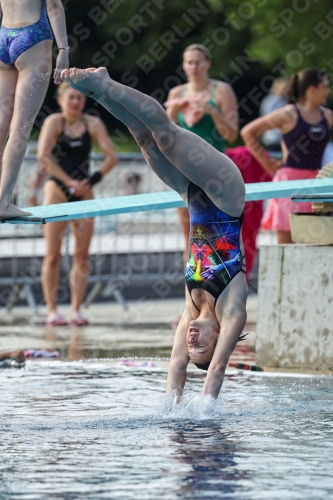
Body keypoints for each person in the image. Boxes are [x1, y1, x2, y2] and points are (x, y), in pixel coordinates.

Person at [61, 66, 248, 400]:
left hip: (192, 197)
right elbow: (217, 370)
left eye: (193, 345)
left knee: (143, 137)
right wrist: (206, 414)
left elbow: (177, 364)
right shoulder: (232, 309)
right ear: (220, 339)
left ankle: (99, 93)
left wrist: (172, 414)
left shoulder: (191, 309)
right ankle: (107, 82)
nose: (192, 340)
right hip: (225, 193)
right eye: (202, 346)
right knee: (166, 135)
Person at [37, 82, 118, 326]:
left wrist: (89, 181)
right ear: (61, 100)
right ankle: (52, 310)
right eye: (71, 98)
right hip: (57, 189)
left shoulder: (92, 124)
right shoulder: (54, 122)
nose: (76, 102)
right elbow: (43, 156)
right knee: (52, 255)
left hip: (84, 191)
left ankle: (76, 309)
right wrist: (67, 181)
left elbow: (111, 157)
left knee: (81, 255)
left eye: (80, 98)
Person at [241, 68, 333, 244]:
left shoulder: (327, 116)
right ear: (312, 89)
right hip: (289, 184)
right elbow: (248, 132)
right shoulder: (288, 113)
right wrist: (265, 162)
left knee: (317, 246)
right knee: (285, 247)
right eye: (325, 87)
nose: (328, 91)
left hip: (317, 184)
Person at [165, 44, 238, 262]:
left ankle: (217, 285)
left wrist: (213, 112)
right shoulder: (177, 93)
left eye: (198, 62)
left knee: (215, 231)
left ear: (208, 64)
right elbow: (164, 136)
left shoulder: (222, 91)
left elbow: (231, 135)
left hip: (215, 169)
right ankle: (191, 288)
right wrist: (175, 111)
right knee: (188, 233)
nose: (193, 67)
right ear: (184, 66)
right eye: (189, 62)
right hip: (184, 171)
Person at [0, 0, 69, 219]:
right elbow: (54, 8)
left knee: (1, 128)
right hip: (33, 37)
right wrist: (64, 50)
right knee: (20, 129)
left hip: (4, 37)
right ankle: (3, 202)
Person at [259, 78, 289, 153]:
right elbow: (265, 116)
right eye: (283, 88)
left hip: (285, 137)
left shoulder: (286, 100)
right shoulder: (270, 101)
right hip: (273, 137)